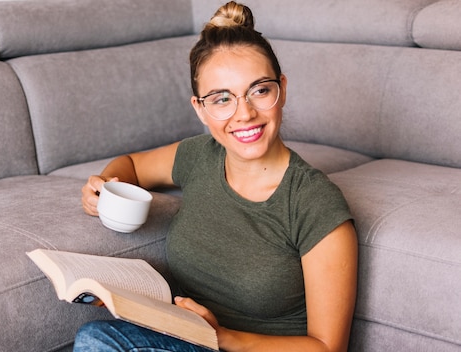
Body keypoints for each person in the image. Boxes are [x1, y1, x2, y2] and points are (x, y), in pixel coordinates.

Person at [76, 1, 358, 351]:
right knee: (96, 338)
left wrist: (220, 336)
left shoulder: (313, 203)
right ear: (201, 109)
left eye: (259, 90)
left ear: (281, 89)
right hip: (191, 340)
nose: (245, 114)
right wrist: (105, 189)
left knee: (97, 342)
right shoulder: (200, 155)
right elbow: (130, 165)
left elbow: (327, 347)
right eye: (222, 99)